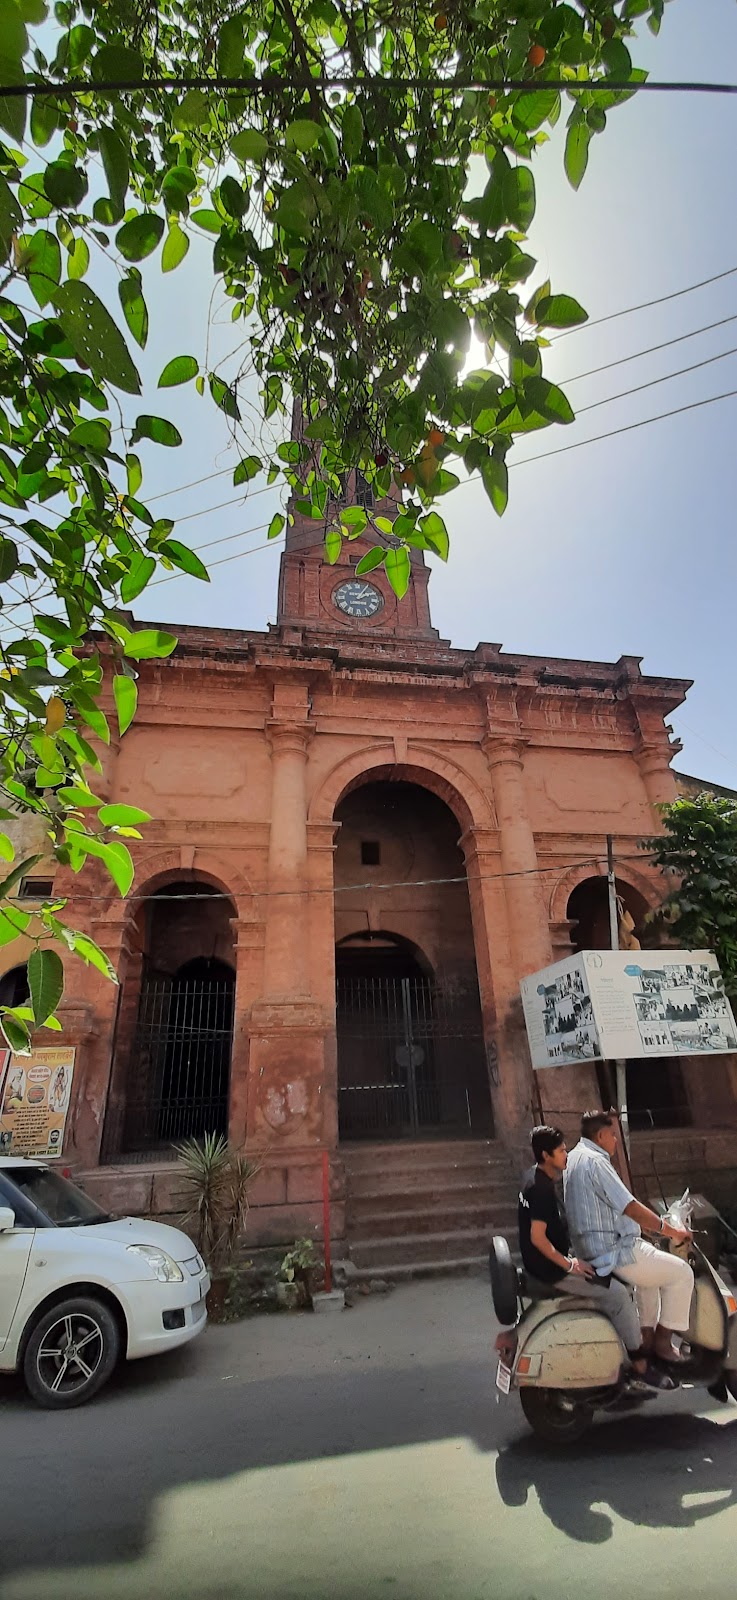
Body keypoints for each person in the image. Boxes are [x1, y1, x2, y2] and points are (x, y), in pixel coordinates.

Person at [518, 1124, 655, 1380]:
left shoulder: (531, 1177)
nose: (566, 1154)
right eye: (560, 1151)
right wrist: (570, 1265)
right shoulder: (541, 1190)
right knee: (618, 1295)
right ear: (546, 1156)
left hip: (541, 1264)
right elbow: (538, 1238)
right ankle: (641, 1364)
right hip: (552, 1270)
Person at [564, 1110, 694, 1366]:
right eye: (612, 1135)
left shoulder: (574, 1157)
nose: (615, 1141)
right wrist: (672, 1231)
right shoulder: (597, 1162)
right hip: (613, 1251)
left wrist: (646, 1230)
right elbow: (631, 1207)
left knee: (649, 1280)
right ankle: (663, 1343)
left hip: (592, 1248)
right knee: (682, 1274)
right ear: (600, 1135)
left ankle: (645, 1339)